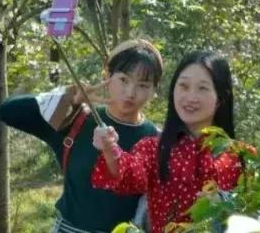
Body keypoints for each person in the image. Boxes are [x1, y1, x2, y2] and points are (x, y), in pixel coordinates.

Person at [0, 39, 164, 233]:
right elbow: (8, 111)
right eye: (123, 80)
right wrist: (69, 99)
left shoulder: (157, 140)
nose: (130, 93)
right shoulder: (76, 121)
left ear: (154, 90)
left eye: (143, 85)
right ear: (107, 75)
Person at [90, 51, 242, 233]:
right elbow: (130, 174)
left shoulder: (238, 155)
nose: (190, 97)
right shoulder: (153, 148)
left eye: (202, 88)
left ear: (221, 98)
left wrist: (223, 202)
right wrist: (110, 149)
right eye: (184, 86)